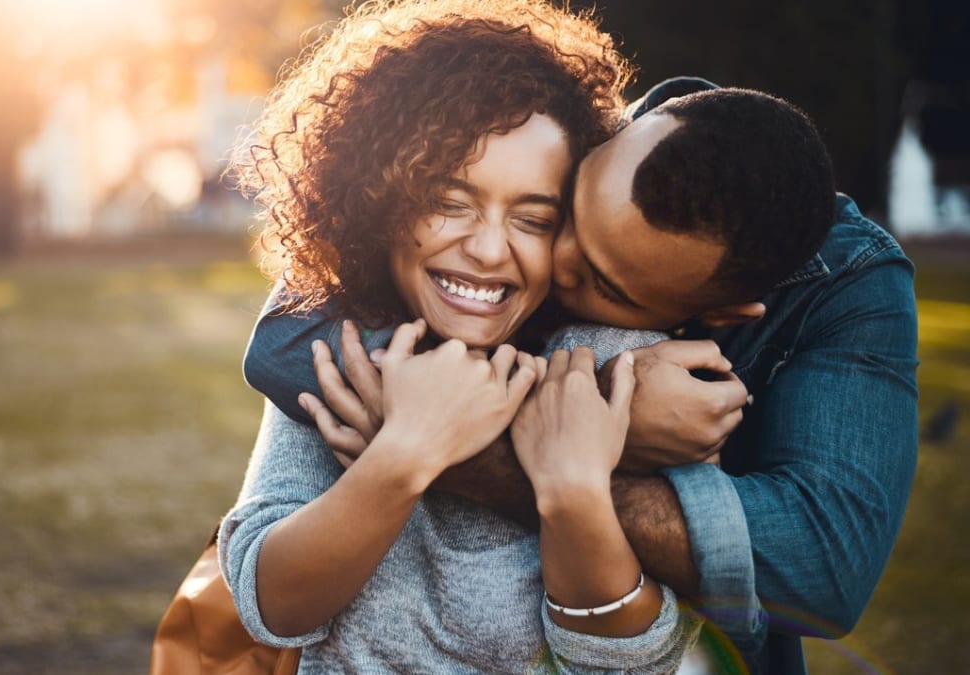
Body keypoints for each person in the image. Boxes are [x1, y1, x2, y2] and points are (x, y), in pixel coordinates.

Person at [244, 79, 919, 675]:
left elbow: (815, 571)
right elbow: (282, 341)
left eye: (599, 279)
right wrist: (580, 412)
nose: (551, 260)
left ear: (712, 318)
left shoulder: (689, 364)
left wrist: (569, 458)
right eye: (567, 211)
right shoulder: (518, 178)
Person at [219, 1, 703, 672]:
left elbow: (634, 660)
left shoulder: (607, 367)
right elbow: (271, 605)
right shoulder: (343, 351)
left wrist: (572, 492)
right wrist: (410, 449)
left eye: (533, 219)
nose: (487, 248)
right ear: (376, 198)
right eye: (448, 202)